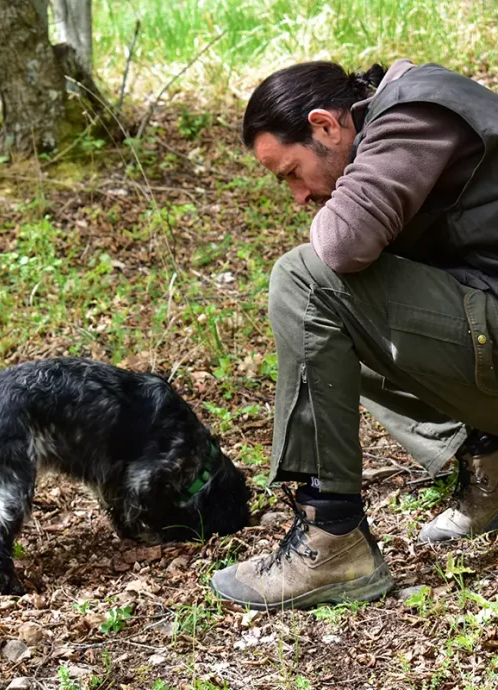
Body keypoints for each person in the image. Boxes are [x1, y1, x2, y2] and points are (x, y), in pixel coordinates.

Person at [211, 59, 498, 610]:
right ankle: (490, 460)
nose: (298, 196)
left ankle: (331, 535)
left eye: (290, 173)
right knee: (331, 340)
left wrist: (338, 206)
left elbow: (342, 245)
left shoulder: (414, 116)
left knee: (305, 281)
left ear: (325, 126)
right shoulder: (396, 123)